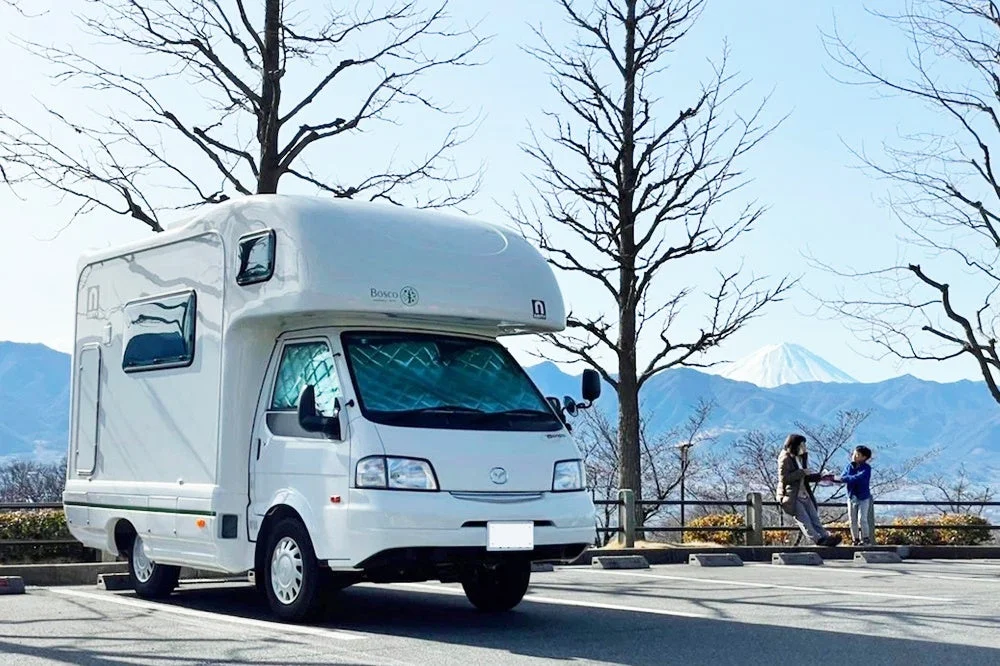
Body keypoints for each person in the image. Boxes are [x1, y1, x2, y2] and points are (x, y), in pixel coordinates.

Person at [777, 433, 842, 547]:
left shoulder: (800, 457)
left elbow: (805, 477)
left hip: (804, 492)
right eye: (802, 445)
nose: (804, 448)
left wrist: (820, 476)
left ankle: (826, 537)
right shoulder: (785, 458)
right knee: (804, 520)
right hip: (792, 495)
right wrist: (801, 472)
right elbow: (784, 478)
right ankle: (818, 540)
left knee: (814, 517)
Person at [835, 445, 874, 546]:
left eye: (857, 454)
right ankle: (855, 539)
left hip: (863, 497)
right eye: (854, 454)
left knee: (862, 519)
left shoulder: (866, 468)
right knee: (852, 520)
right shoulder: (849, 466)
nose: (854, 456)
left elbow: (857, 478)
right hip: (851, 496)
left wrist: (843, 479)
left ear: (864, 457)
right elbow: (843, 476)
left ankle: (865, 538)